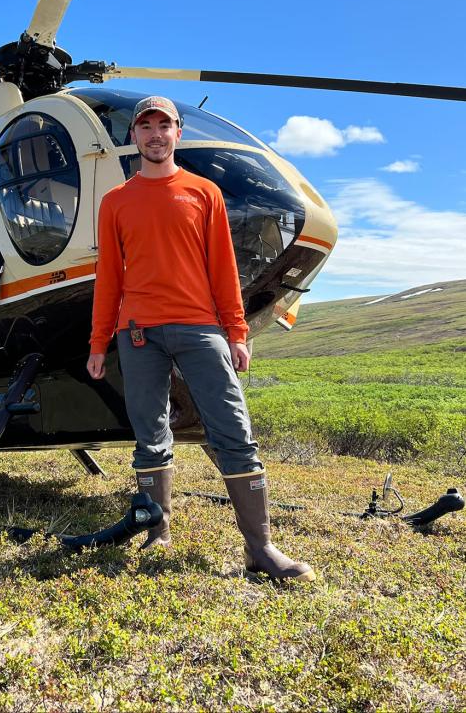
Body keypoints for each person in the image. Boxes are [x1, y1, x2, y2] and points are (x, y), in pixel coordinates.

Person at [86, 95, 314, 582]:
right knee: (150, 438)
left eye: (163, 126)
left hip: (200, 328)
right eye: (144, 126)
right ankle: (157, 534)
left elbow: (223, 269)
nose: (154, 134)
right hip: (138, 334)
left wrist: (237, 330)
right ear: (133, 137)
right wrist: (98, 343)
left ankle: (261, 549)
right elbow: (109, 277)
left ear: (177, 134)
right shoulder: (115, 202)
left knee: (234, 433)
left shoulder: (204, 193)